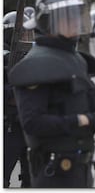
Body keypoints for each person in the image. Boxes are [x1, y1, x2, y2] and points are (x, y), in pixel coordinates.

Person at [8, 0, 95, 188]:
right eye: (67, 17)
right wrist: (80, 120)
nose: (74, 22)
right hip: (54, 173)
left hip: (82, 169)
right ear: (48, 22)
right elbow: (33, 122)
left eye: (76, 15)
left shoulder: (76, 59)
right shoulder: (35, 65)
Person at [3, 11, 33, 188]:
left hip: (28, 124)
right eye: (22, 33)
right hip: (8, 126)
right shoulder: (3, 58)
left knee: (31, 177)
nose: (26, 38)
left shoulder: (28, 58)